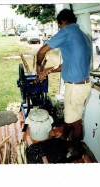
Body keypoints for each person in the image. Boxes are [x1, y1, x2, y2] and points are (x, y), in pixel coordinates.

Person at [36, 8, 92, 144]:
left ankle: (77, 149)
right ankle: (64, 138)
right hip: (78, 85)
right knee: (70, 116)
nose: (59, 28)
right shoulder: (83, 35)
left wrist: (39, 65)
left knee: (76, 121)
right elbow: (68, 65)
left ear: (63, 21)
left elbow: (42, 51)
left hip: (76, 87)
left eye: (59, 25)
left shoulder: (67, 31)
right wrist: (48, 70)